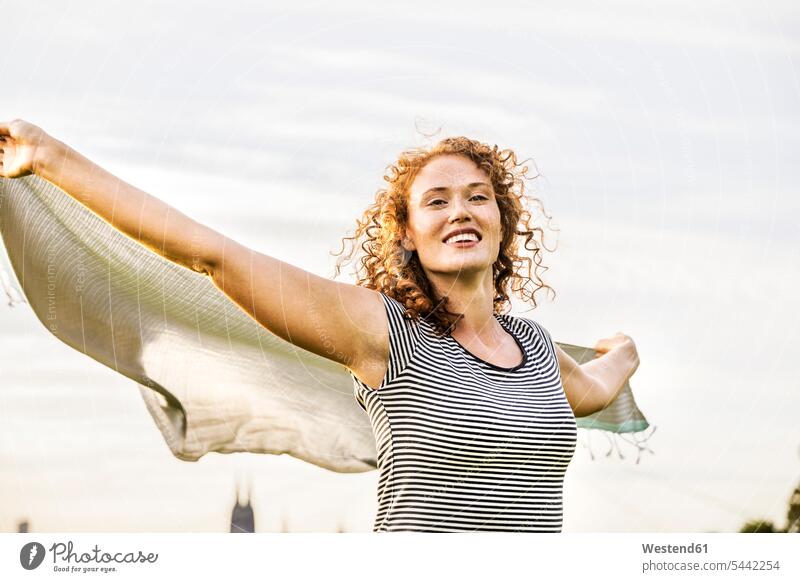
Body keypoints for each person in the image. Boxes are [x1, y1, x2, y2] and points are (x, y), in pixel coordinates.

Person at [0, 118, 640, 532]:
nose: (461, 211)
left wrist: (627, 352)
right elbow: (212, 255)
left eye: (478, 196)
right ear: (409, 238)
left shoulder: (536, 349)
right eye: (436, 202)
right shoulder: (382, 331)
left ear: (503, 222)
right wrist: (50, 156)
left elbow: (598, 384)